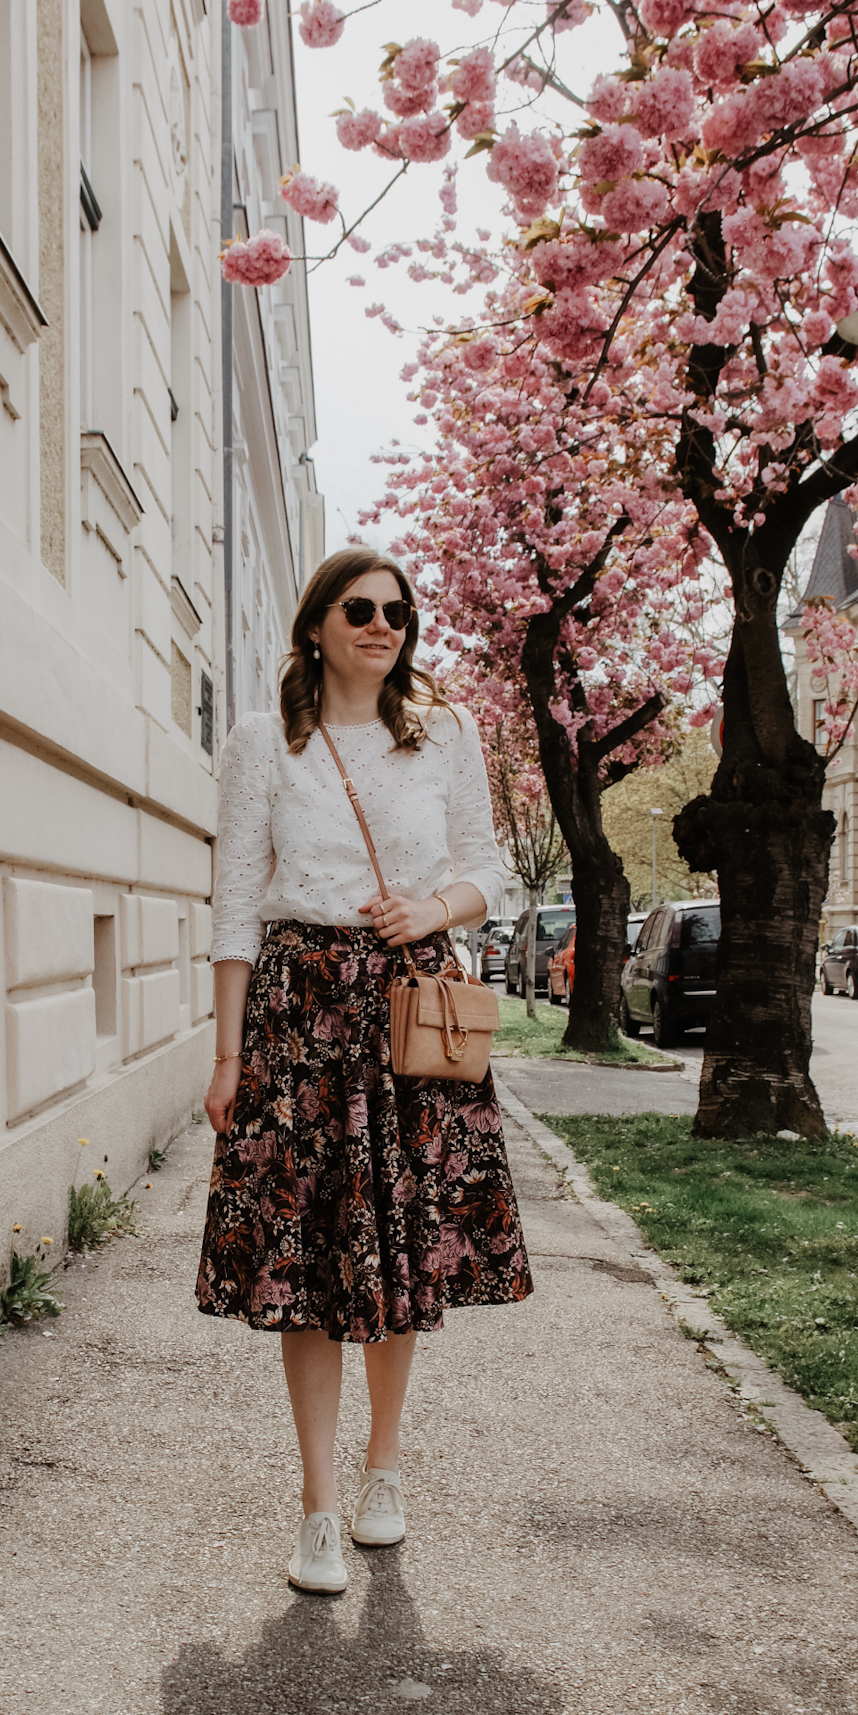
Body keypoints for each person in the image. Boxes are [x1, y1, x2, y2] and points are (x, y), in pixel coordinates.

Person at [197, 548, 533, 1594]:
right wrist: (223, 1050)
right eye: (360, 608)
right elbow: (232, 905)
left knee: (399, 1251)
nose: (382, 623)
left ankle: (383, 1469)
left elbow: (493, 868)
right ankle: (317, 1508)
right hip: (298, 1017)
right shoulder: (265, 740)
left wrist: (433, 909)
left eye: (397, 610)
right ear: (317, 624)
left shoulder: (445, 733)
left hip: (408, 1015)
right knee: (304, 1261)